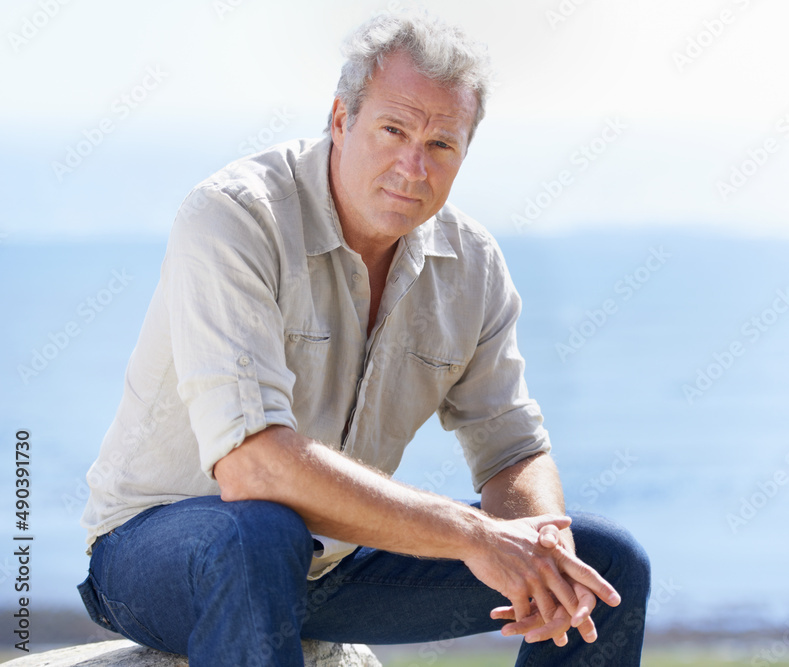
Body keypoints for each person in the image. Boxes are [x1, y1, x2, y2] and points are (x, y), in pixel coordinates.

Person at [77, 11, 650, 666]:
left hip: (331, 567)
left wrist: (543, 547)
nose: (412, 165)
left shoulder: (472, 265)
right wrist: (470, 533)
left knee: (603, 571)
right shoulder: (235, 217)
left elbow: (513, 449)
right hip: (158, 552)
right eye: (393, 129)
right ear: (342, 121)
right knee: (257, 533)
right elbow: (251, 467)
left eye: (441, 144)